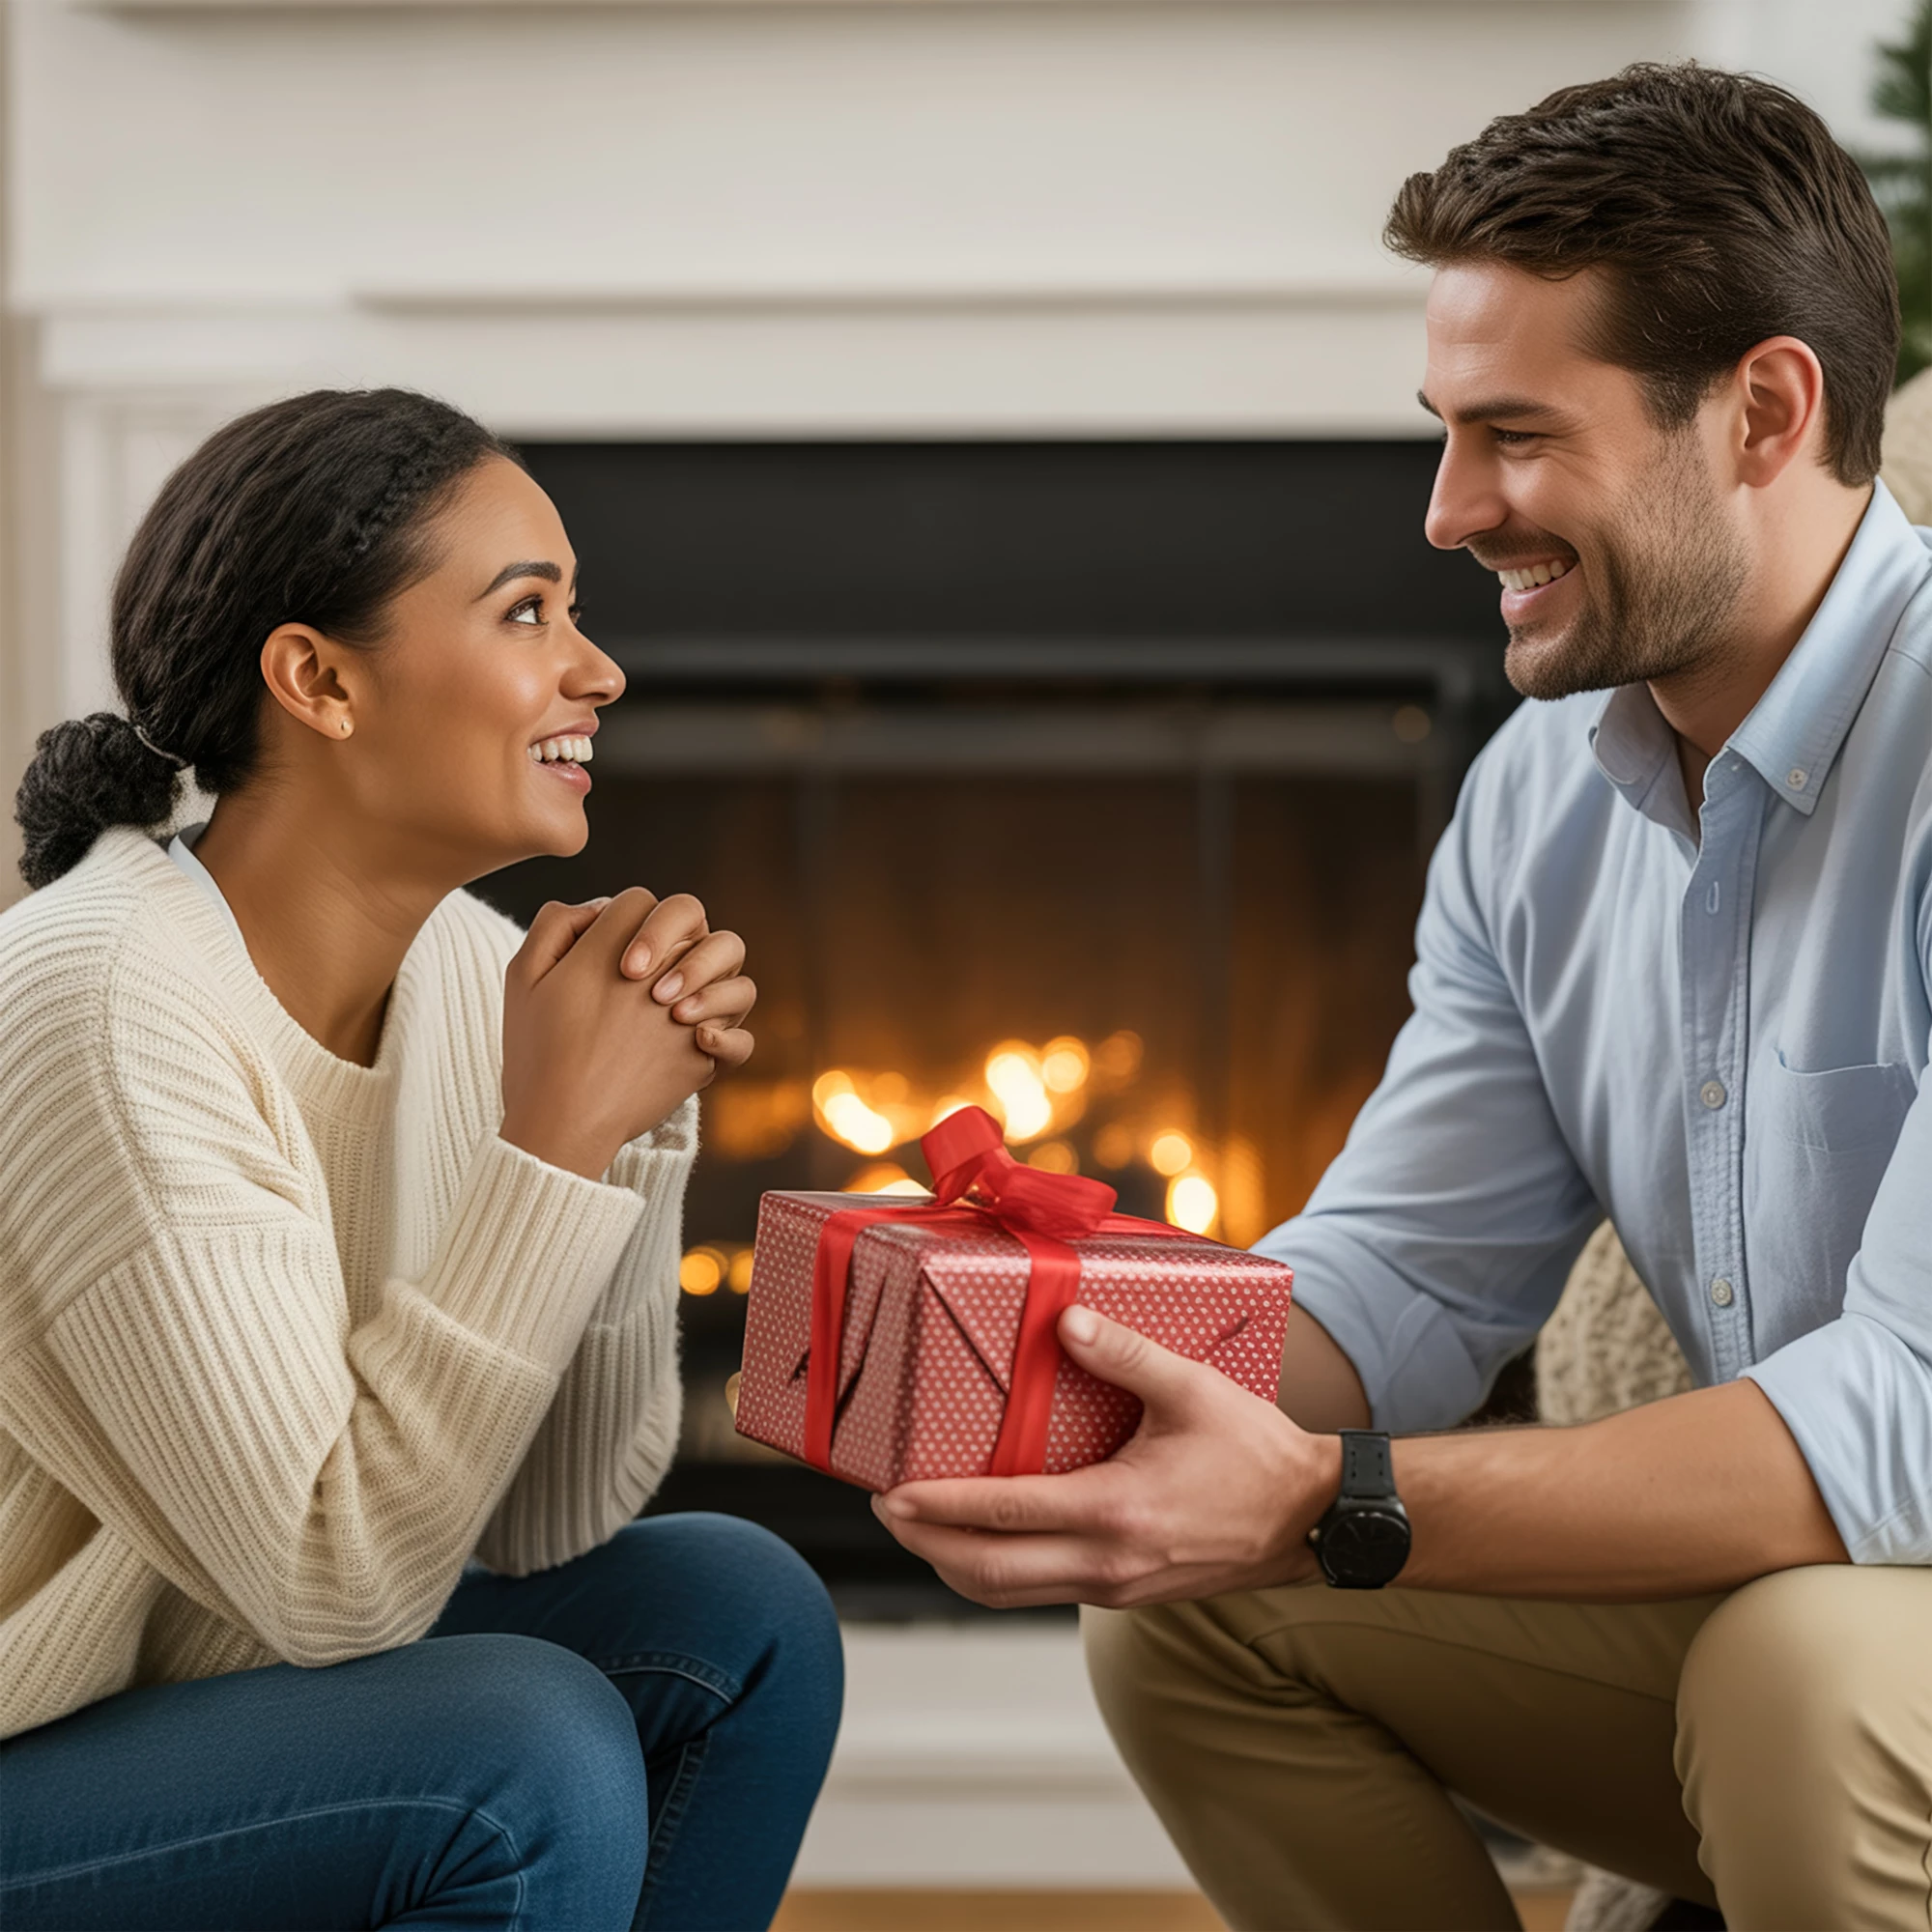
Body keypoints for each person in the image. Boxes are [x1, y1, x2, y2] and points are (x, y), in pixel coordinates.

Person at [872, 64, 1932, 1930]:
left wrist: (1323, 1494)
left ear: (1766, 410)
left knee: (1802, 1671)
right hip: (1823, 1620)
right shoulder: (1544, 796)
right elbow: (1402, 1285)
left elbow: (1898, 1421)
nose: (1448, 513)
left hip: (1858, 1631)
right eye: (1443, 430)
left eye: (1514, 434)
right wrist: (1043, 1379)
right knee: (1202, 1626)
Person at [0, 389, 841, 1932]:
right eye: (529, 613)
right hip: (26, 1748)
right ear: (318, 680)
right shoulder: (103, 1003)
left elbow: (549, 1518)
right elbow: (335, 1584)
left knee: (740, 1610)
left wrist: (620, 1137)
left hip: (194, 1677)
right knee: (522, 1751)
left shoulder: (468, 975)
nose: (600, 670)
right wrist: (558, 1140)